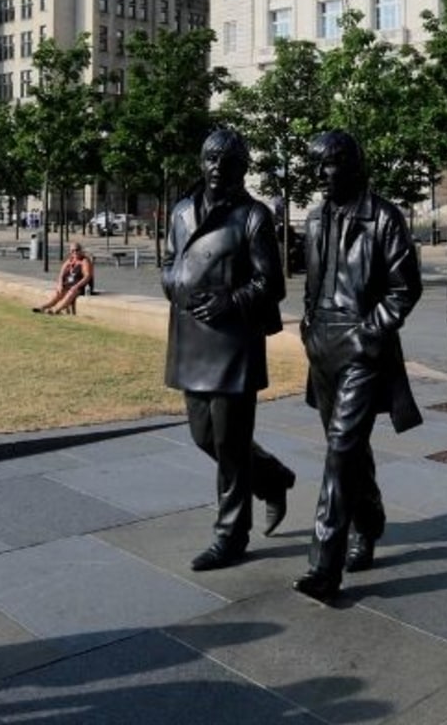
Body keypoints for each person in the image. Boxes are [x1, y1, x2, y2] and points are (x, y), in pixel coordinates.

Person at [294, 129, 422, 603]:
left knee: (340, 451)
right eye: (316, 166)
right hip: (322, 345)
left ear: (350, 163)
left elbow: (404, 288)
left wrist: (368, 334)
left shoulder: (384, 218)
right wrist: (308, 328)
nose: (320, 175)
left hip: (362, 346)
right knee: (346, 446)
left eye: (327, 165)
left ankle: (323, 566)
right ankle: (369, 521)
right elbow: (312, 282)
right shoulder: (316, 216)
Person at [162, 128, 296, 572]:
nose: (217, 167)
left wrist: (230, 300)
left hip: (233, 341)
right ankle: (273, 478)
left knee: (231, 444)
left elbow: (271, 283)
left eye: (228, 160)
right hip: (190, 337)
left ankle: (231, 534)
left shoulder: (253, 216)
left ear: (243, 167)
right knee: (204, 436)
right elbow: (170, 260)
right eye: (211, 158)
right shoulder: (182, 210)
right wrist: (172, 284)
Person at [32, 242, 93, 314]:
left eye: (77, 250)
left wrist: (76, 286)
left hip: (79, 286)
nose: (75, 252)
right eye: (72, 251)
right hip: (67, 284)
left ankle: (56, 310)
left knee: (71, 292)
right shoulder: (69, 260)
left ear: (81, 250)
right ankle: (43, 307)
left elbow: (87, 276)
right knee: (58, 293)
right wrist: (60, 284)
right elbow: (61, 274)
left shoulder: (84, 261)